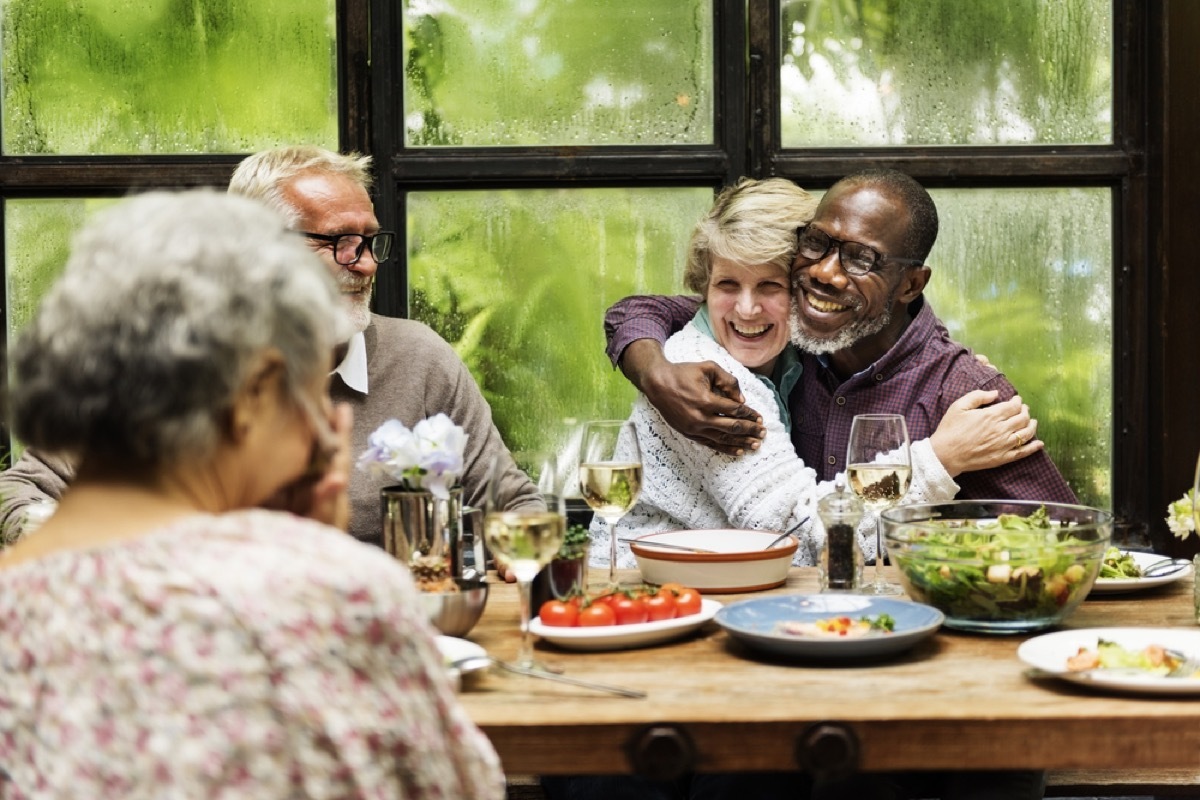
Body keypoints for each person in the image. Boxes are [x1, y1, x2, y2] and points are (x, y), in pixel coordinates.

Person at [0, 190, 505, 798]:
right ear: (254, 394)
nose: (325, 422)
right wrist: (312, 556)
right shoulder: (325, 594)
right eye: (310, 387)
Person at [0, 145, 541, 550]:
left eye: (370, 240)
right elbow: (18, 493)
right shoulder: (173, 365)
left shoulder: (419, 358)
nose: (368, 263)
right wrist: (114, 559)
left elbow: (514, 505)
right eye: (338, 243)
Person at [596, 177, 1041, 570]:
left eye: (771, 286)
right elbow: (802, 538)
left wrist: (945, 362)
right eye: (726, 285)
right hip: (640, 594)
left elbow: (1059, 533)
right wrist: (938, 460)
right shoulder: (708, 379)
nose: (747, 309)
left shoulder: (803, 347)